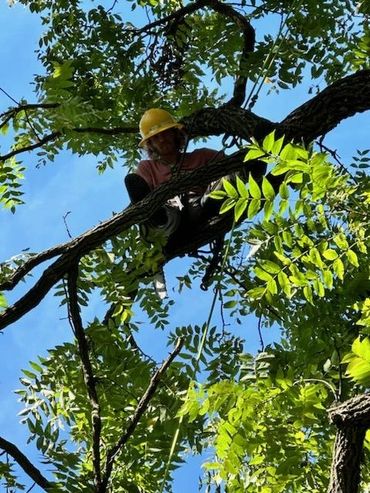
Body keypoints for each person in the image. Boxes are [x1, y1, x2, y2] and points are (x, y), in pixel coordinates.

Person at [124, 108, 225, 241]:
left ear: (174, 134)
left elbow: (233, 170)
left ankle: (211, 203)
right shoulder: (147, 167)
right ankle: (160, 220)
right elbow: (140, 197)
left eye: (165, 134)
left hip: (202, 207)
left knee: (229, 178)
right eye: (156, 138)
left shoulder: (202, 156)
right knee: (134, 184)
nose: (162, 140)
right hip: (169, 217)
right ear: (151, 145)